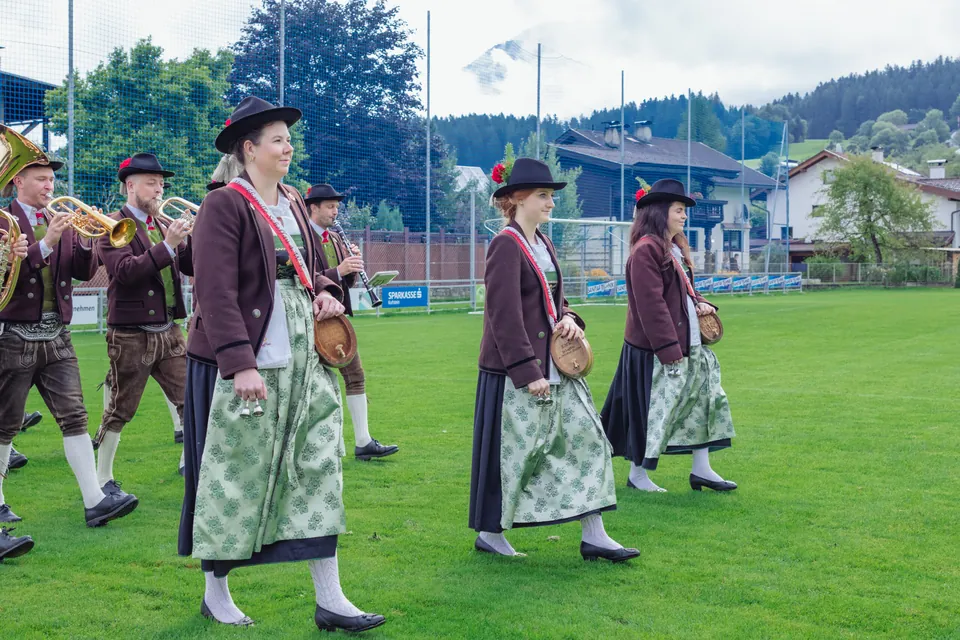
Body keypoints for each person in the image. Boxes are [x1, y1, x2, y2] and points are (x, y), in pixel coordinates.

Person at [178, 96, 384, 633]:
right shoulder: (225, 205)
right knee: (232, 475)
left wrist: (326, 292)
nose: (288, 147)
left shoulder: (293, 200)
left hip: (302, 356)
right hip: (244, 361)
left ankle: (331, 598)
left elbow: (313, 267)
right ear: (249, 149)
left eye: (289, 139)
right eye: (276, 139)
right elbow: (216, 291)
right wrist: (239, 363)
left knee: (318, 464)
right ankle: (215, 592)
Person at [469, 157, 639, 562]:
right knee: (517, 453)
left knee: (590, 439)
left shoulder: (543, 243)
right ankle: (491, 534)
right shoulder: (504, 244)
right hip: (519, 372)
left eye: (550, 196)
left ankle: (594, 535)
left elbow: (552, 302)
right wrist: (528, 372)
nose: (551, 203)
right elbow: (503, 314)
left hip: (559, 365)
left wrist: (571, 320)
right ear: (517, 198)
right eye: (544, 195)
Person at [0, 155, 138, 528]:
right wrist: (48, 240)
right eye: (41, 179)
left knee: (75, 416)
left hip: (58, 333)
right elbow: (7, 272)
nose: (50, 187)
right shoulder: (3, 221)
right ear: (18, 183)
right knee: (6, 423)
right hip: (13, 334)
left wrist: (89, 235)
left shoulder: (60, 220)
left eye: (51, 180)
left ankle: (94, 500)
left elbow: (83, 271)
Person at [601, 179, 737, 492]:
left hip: (687, 344)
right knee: (650, 410)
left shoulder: (671, 249)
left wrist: (702, 303)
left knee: (703, 400)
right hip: (655, 350)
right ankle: (637, 475)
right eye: (678, 210)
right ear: (661, 212)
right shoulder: (646, 250)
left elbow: (682, 292)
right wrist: (668, 349)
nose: (684, 216)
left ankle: (701, 469)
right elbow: (651, 305)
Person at [95, 153, 193, 491]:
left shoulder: (163, 224)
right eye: (151, 183)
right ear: (130, 186)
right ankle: (103, 477)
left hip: (169, 329)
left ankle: (190, 464)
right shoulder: (111, 224)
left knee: (191, 399)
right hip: (130, 333)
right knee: (121, 409)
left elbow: (189, 266)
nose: (159, 189)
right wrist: (169, 245)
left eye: (161, 183)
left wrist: (195, 237)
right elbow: (125, 273)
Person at [305, 183, 398, 461]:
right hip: (312, 319)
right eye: (330, 206)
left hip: (338, 320)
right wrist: (338, 269)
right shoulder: (301, 238)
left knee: (355, 375)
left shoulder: (335, 238)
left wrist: (351, 267)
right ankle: (315, 445)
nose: (336, 211)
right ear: (313, 208)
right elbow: (303, 275)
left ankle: (363, 441)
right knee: (309, 384)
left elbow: (346, 283)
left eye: (336, 206)